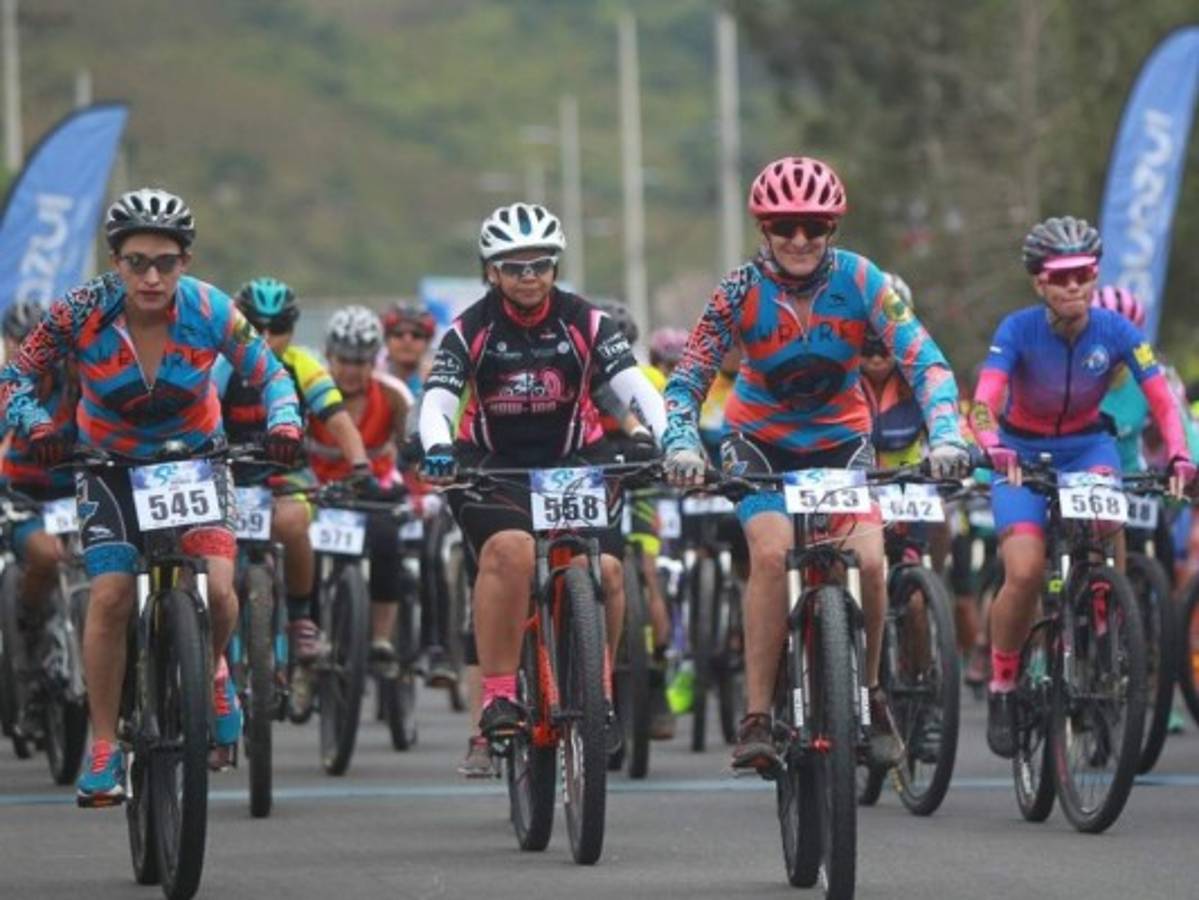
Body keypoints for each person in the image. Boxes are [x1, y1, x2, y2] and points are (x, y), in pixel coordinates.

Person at [662, 156, 969, 773]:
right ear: (763, 230)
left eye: (814, 226)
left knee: (874, 561)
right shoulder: (738, 289)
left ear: (832, 228)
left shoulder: (863, 280)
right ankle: (755, 717)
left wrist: (946, 435)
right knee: (771, 556)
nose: (799, 239)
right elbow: (689, 376)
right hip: (760, 443)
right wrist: (682, 444)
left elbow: (926, 362)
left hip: (838, 442)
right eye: (784, 227)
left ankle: (874, 696)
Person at [0, 188, 302, 804]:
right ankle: (106, 747)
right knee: (110, 595)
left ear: (185, 262)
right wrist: (35, 424)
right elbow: (15, 375)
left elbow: (269, 372)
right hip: (107, 463)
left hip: (194, 460)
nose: (152, 275)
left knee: (220, 589)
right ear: (116, 262)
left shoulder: (212, 309)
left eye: (166, 261)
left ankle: (214, 670)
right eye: (137, 261)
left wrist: (285, 423)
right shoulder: (79, 309)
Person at [419, 202, 665, 750]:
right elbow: (437, 401)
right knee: (506, 552)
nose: (528, 277)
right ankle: (500, 694)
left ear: (555, 267)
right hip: (492, 468)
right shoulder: (470, 329)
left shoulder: (586, 321)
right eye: (514, 267)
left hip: (573, 466)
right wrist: (437, 447)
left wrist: (670, 436)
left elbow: (634, 387)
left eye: (539, 265)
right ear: (492, 271)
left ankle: (597, 691)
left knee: (607, 570)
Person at [971, 216, 1196, 758]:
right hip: (1021, 454)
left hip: (1086, 448)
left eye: (1084, 275)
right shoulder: (1016, 330)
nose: (1074, 286)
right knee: (1023, 571)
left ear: (1095, 278)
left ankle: (1101, 613)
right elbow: (983, 399)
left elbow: (1163, 399)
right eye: (1061, 276)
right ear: (1040, 284)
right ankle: (1003, 679)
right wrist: (991, 442)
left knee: (1105, 522)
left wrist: (1181, 453)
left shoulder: (1118, 332)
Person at [212, 276, 372, 716]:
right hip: (227, 476)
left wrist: (359, 463)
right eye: (254, 325)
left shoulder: (304, 364)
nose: (265, 337)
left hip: (286, 476)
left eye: (277, 327)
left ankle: (301, 615)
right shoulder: (221, 364)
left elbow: (336, 417)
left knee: (291, 523)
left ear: (292, 330)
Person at [308, 306, 415, 679]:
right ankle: (305, 637)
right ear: (329, 356)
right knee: (298, 551)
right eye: (343, 360)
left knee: (388, 541)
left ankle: (381, 640)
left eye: (361, 361)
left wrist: (421, 488)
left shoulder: (393, 395)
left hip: (374, 491)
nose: (351, 370)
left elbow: (412, 447)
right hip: (319, 491)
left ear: (374, 360)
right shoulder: (310, 391)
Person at [0, 299, 79, 737]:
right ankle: (29, 639)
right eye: (20, 340)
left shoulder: (75, 380)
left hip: (75, 494)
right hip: (22, 496)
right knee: (46, 557)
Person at [381, 300, 436, 397]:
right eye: (399, 334)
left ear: (428, 342)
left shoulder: (438, 382)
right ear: (386, 339)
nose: (407, 341)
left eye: (416, 335)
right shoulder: (371, 379)